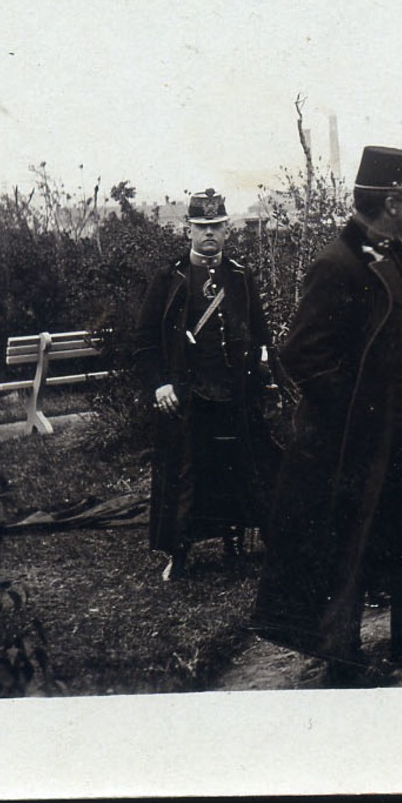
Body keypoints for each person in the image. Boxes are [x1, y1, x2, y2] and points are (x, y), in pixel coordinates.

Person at [251, 146, 402, 687]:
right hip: (355, 440)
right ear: (392, 201)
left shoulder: (394, 253)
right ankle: (342, 659)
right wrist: (359, 410)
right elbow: (301, 354)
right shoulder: (337, 264)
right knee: (351, 542)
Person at [133, 189, 279, 581]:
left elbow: (262, 334)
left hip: (235, 391)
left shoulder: (240, 276)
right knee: (186, 474)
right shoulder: (170, 278)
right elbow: (145, 340)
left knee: (247, 468)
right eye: (202, 227)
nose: (210, 234)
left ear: (227, 230)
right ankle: (178, 553)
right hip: (188, 395)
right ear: (188, 231)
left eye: (217, 226)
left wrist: (265, 371)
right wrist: (160, 384)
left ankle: (261, 542)